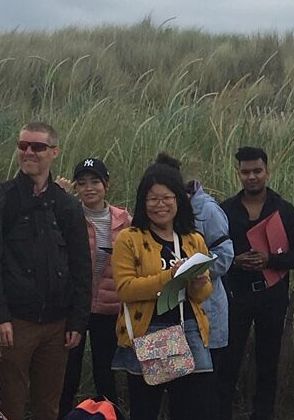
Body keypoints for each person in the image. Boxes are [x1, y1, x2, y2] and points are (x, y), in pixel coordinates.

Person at [0, 122, 92, 420]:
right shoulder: (4, 199)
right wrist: (1, 317)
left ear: (54, 152)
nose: (28, 152)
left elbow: (81, 267)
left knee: (48, 407)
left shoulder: (66, 205)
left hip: (57, 325)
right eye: (23, 145)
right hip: (15, 323)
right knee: (9, 405)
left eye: (37, 147)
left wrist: (78, 321)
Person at [110, 159, 214, 420]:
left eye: (167, 198)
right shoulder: (129, 238)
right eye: (153, 199)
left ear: (179, 200)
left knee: (191, 409)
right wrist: (170, 276)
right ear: (143, 202)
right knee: (146, 409)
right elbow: (125, 289)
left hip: (188, 330)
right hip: (151, 332)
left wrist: (198, 283)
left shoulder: (193, 239)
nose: (160, 205)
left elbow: (202, 295)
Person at [220, 146, 294, 420]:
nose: (252, 177)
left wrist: (270, 260)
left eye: (257, 171)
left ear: (267, 172)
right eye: (245, 172)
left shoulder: (284, 209)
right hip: (237, 295)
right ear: (238, 174)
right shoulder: (225, 211)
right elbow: (212, 251)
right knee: (228, 360)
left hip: (272, 295)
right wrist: (236, 261)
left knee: (268, 362)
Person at [152, 152, 236, 419]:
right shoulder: (151, 220)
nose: (161, 201)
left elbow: (225, 257)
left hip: (205, 320)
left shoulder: (207, 211)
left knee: (202, 397)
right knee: (171, 395)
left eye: (167, 192)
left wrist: (190, 273)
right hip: (165, 324)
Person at [58, 158, 132, 418]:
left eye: (95, 182)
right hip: (75, 308)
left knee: (105, 372)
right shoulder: (69, 215)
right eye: (82, 183)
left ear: (106, 185)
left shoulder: (125, 221)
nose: (89, 188)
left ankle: (107, 415)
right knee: (68, 373)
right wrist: (58, 196)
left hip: (109, 308)